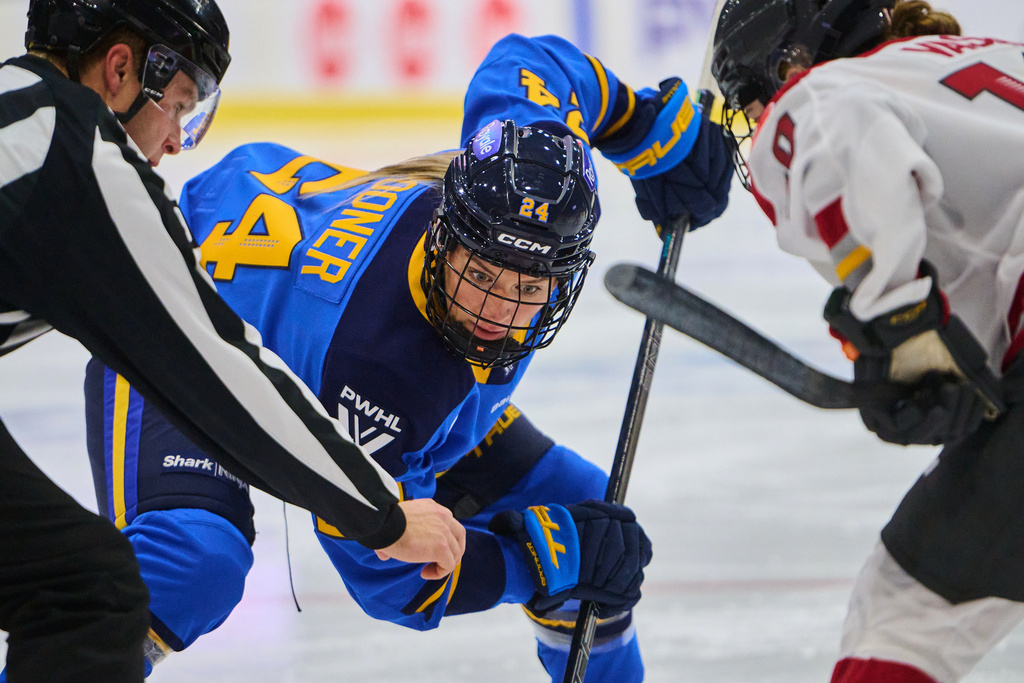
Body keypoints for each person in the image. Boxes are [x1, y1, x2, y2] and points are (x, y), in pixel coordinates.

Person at [81, 33, 734, 681]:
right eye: (482, 275)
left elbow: (528, 65)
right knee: (193, 563)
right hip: (175, 310)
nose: (499, 313)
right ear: (447, 236)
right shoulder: (381, 374)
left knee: (585, 512)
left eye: (530, 288)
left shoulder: (509, 166)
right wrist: (533, 565)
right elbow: (387, 573)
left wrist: (644, 126)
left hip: (281, 241)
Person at [0, 1, 465, 681]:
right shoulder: (78, 153)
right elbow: (215, 371)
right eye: (181, 105)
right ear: (122, 69)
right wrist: (383, 513)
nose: (178, 141)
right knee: (88, 594)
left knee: (79, 582)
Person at [711, 0, 1024, 681]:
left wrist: (901, 324)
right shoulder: (989, 60)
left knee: (907, 613)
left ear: (793, 56)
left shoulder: (825, 91)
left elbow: (833, 130)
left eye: (758, 96)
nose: (764, 118)